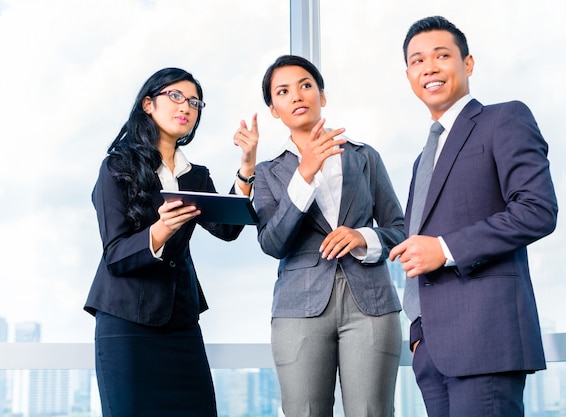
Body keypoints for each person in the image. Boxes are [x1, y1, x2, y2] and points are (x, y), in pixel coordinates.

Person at [388, 16, 558, 417]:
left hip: (485, 339)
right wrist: (417, 335)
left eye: (441, 55)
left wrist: (445, 249)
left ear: (468, 64)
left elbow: (538, 209)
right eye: (417, 61)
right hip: (431, 349)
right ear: (409, 75)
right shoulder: (422, 158)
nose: (429, 67)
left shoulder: (504, 119)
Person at [84, 67, 258, 417]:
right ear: (148, 104)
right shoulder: (116, 167)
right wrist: (159, 231)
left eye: (194, 102)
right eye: (175, 96)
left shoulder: (194, 175)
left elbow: (227, 229)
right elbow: (115, 255)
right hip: (126, 321)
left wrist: (247, 166)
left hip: (180, 322)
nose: (187, 107)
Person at [249, 54, 404, 417]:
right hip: (297, 308)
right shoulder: (269, 173)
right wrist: (303, 177)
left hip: (371, 304)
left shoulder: (365, 157)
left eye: (306, 85)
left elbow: (399, 229)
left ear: (323, 95)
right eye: (283, 91)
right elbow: (272, 243)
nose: (297, 96)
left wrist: (364, 237)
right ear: (274, 109)